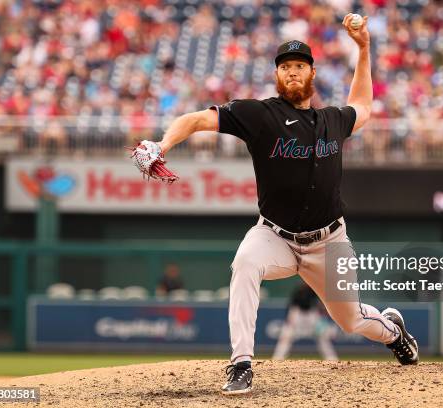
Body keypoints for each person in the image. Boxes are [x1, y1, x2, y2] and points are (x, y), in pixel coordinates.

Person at [147, 14, 419, 395]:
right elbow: (195, 120)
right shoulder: (259, 114)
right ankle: (241, 363)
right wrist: (161, 145)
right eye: (285, 66)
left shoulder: (333, 120)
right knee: (244, 262)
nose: (292, 72)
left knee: (353, 321)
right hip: (274, 235)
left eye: (299, 66)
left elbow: (364, 106)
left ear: (311, 73)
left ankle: (393, 333)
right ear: (277, 75)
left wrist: (363, 47)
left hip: (328, 242)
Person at [272, 282, 338, 361]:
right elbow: (292, 306)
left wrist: (322, 313)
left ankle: (332, 359)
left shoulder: (314, 289)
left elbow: (320, 305)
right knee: (286, 335)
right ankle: (277, 358)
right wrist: (289, 319)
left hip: (311, 314)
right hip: (298, 314)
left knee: (322, 337)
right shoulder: (299, 290)